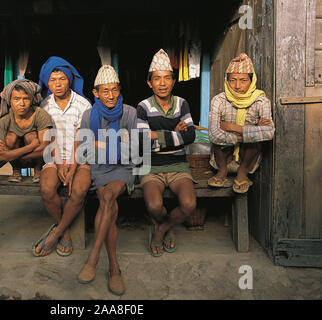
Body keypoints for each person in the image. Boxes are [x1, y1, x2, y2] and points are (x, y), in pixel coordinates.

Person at [76, 65, 138, 296]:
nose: (111, 95)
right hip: (99, 169)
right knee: (107, 203)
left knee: (109, 197)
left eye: (115, 90)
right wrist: (113, 145)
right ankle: (114, 267)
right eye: (105, 91)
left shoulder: (130, 113)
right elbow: (84, 150)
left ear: (119, 90)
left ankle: (93, 258)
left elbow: (133, 150)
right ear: (96, 93)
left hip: (124, 168)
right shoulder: (88, 115)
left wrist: (99, 144)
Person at [136, 49, 197, 257]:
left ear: (173, 81)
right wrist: (173, 134)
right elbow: (143, 141)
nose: (162, 83)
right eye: (157, 79)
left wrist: (157, 136)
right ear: (149, 83)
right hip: (150, 166)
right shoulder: (143, 107)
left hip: (178, 164)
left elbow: (190, 137)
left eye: (167, 78)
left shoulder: (182, 103)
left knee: (189, 205)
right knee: (154, 206)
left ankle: (162, 229)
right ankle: (164, 223)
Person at [32, 57, 92, 257]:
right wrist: (59, 166)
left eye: (62, 79)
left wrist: (73, 166)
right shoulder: (44, 105)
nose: (57, 84)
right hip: (54, 158)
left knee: (80, 190)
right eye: (52, 79)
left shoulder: (83, 104)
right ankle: (65, 231)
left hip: (80, 158)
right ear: (47, 82)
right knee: (47, 189)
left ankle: (56, 232)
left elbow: (81, 139)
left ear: (70, 79)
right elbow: (48, 138)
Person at [208, 53, 275, 193]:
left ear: (252, 80)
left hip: (248, 158)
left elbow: (269, 132)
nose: (237, 86)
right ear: (227, 81)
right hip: (222, 157)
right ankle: (222, 171)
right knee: (220, 143)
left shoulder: (261, 101)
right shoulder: (218, 100)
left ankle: (243, 172)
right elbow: (214, 134)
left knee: (253, 144)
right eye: (232, 80)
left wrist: (230, 127)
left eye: (243, 80)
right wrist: (253, 131)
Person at [0, 79, 53, 182]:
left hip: (35, 158)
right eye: (16, 99)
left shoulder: (40, 114)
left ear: (31, 100)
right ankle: (16, 171)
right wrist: (31, 146)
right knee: (10, 137)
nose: (22, 103)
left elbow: (45, 148)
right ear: (10, 101)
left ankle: (38, 170)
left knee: (31, 136)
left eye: (26, 99)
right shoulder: (3, 120)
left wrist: (14, 155)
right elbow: (0, 155)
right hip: (22, 156)